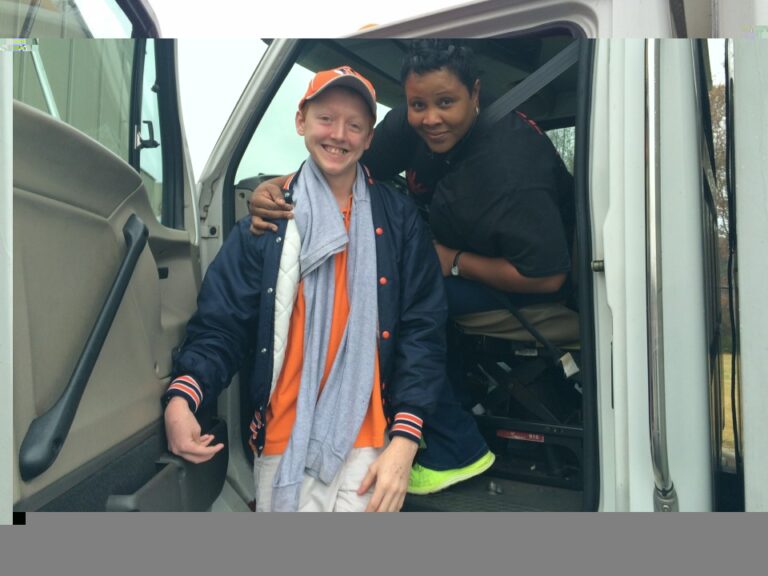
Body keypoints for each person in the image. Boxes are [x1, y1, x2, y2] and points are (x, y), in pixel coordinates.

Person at [249, 40, 574, 495]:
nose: (431, 118)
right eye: (419, 104)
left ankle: (455, 449)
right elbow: (345, 165)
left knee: (399, 302)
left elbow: (548, 275)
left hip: (538, 281)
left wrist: (453, 262)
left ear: (475, 94)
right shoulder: (414, 122)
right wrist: (279, 186)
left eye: (446, 103)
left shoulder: (508, 168)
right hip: (460, 254)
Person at [163, 65, 450, 512]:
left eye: (354, 125)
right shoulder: (268, 220)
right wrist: (183, 398)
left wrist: (405, 442)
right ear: (301, 122)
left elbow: (422, 330)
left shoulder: (398, 219)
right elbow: (223, 323)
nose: (338, 135)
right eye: (325, 119)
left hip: (372, 447)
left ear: (369, 138)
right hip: (283, 439)